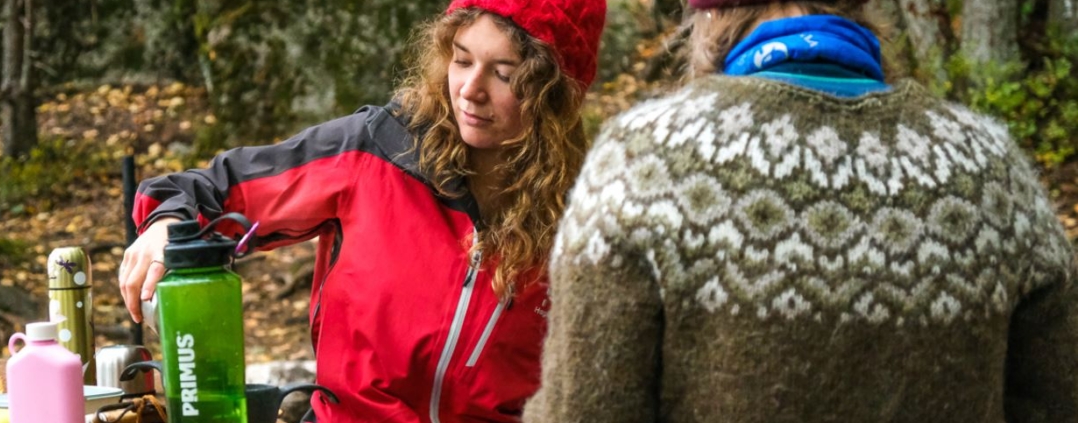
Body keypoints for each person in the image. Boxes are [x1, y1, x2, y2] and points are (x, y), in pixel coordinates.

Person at [524, 1, 1078, 422]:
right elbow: (1057, 396)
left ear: (709, 17)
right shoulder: (991, 168)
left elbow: (584, 409)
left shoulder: (644, 159)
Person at [118, 0, 605, 422]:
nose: (470, 89)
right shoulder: (375, 152)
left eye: (503, 74)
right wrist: (165, 225)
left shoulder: (584, 218)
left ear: (554, 94)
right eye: (461, 60)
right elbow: (207, 191)